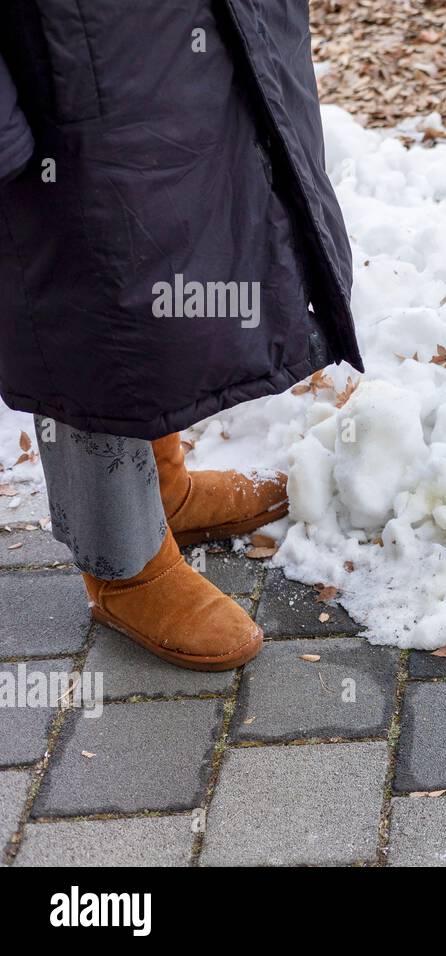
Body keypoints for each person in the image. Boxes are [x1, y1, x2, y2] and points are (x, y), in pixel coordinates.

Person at [0, 2, 362, 670]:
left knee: (156, 252)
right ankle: (124, 561)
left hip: (158, 38)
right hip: (60, 53)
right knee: (85, 287)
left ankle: (162, 486)